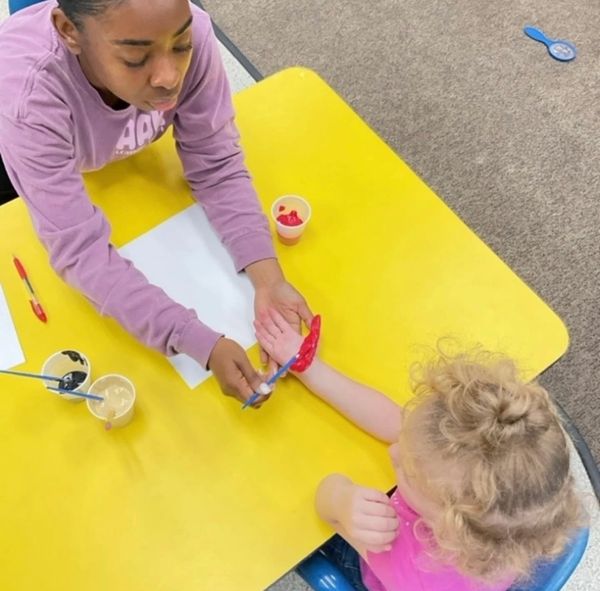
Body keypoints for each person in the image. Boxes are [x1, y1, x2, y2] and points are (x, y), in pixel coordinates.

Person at [0, 0, 312, 404]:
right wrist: (192, 338)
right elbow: (80, 252)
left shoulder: (194, 32)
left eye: (181, 45)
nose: (169, 76)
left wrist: (268, 279)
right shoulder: (27, 99)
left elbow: (216, 164)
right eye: (136, 58)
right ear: (68, 31)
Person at [254, 309, 584, 591]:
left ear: (449, 526)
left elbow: (325, 502)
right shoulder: (518, 500)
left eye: (410, 473)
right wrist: (310, 367)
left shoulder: (408, 562)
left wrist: (343, 501)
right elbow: (399, 427)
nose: (394, 452)